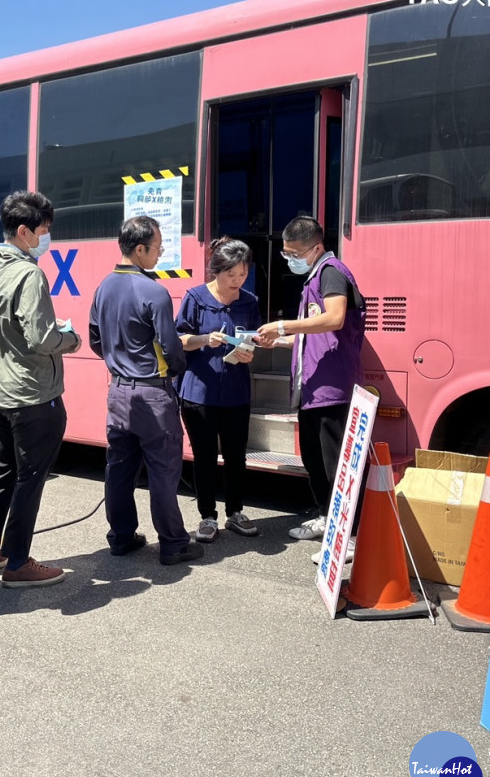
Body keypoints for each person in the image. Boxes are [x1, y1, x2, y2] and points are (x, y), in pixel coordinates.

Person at [0, 191, 80, 588]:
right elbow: (42, 338)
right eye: (44, 231)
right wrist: (71, 338)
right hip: (32, 394)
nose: (47, 238)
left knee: (1, 470)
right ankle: (17, 562)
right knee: (30, 478)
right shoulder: (28, 274)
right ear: (23, 231)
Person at [89, 216, 202, 566]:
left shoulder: (104, 287)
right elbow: (170, 346)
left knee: (119, 469)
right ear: (139, 250)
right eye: (157, 248)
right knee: (163, 469)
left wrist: (119, 360)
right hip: (152, 393)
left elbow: (96, 339)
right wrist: (177, 368)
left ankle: (121, 537)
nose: (160, 253)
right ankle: (173, 543)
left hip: (118, 391)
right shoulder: (154, 291)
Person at [256, 215, 366, 563]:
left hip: (332, 388)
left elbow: (334, 318)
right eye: (286, 252)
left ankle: (348, 536)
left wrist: (283, 324)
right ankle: (325, 518)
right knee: (313, 462)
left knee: (336, 466)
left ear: (316, 247)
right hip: (312, 388)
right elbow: (315, 339)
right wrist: (283, 341)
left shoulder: (332, 271)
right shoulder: (315, 277)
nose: (290, 259)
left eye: (294, 252)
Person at [176, 238, 262, 542]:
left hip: (237, 392)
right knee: (205, 456)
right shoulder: (196, 298)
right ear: (216, 271)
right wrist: (204, 340)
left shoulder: (248, 301)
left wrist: (249, 352)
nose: (236, 282)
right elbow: (179, 339)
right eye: (230, 276)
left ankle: (235, 511)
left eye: (242, 275)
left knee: (237, 455)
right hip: (199, 392)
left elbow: (254, 338)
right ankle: (207, 516)